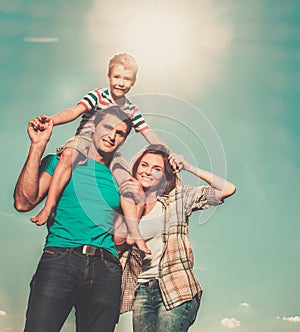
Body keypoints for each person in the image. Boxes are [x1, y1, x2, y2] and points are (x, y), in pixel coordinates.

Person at [30, 53, 176, 253]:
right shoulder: (98, 95)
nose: (121, 83)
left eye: (126, 79)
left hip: (110, 152)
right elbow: (74, 112)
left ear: (133, 82)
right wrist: (51, 121)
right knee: (68, 156)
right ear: (109, 76)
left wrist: (168, 154)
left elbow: (147, 132)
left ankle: (134, 232)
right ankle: (50, 206)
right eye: (117, 77)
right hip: (84, 141)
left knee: (129, 183)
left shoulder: (131, 109)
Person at [14, 106, 133, 332]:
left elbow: (122, 231)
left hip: (107, 268)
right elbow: (23, 202)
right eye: (108, 127)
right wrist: (38, 145)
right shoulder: (60, 163)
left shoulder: (119, 179)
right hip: (61, 258)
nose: (112, 136)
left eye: (120, 133)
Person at [114, 144, 236, 332]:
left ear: (165, 176)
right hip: (141, 291)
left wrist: (188, 166)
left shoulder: (177, 199)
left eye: (157, 169)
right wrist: (135, 206)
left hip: (175, 287)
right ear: (136, 168)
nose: (148, 172)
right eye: (144, 165)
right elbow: (119, 246)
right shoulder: (125, 206)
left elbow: (227, 189)